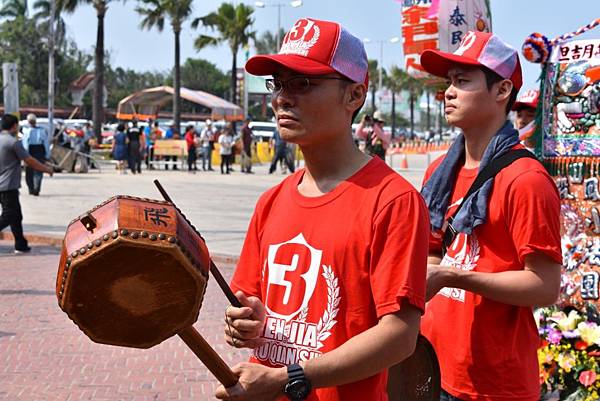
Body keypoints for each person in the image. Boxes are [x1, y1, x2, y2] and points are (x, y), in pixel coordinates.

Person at [218, 18, 429, 401]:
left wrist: (288, 378)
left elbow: (399, 336)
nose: (283, 97)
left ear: (354, 96)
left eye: (303, 83)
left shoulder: (392, 200)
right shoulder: (271, 201)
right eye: (278, 84)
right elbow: (252, 301)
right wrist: (244, 321)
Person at [418, 31, 562, 401]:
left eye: (463, 81)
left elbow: (544, 286)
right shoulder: (438, 172)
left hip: (495, 382)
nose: (449, 92)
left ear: (501, 91)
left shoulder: (526, 179)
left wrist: (454, 276)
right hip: (432, 365)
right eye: (449, 81)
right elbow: (435, 251)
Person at [0, 114, 53, 253]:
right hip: (8, 186)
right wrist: (47, 169)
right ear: (14, 126)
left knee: (16, 216)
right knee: (9, 215)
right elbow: (29, 160)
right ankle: (20, 244)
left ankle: (20, 244)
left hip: (4, 185)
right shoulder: (13, 142)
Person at [21, 113, 50, 196]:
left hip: (34, 151)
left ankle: (34, 189)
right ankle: (33, 188)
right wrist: (47, 155)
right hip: (35, 151)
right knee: (34, 171)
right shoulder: (27, 130)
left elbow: (45, 143)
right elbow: (46, 144)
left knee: (35, 171)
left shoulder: (29, 130)